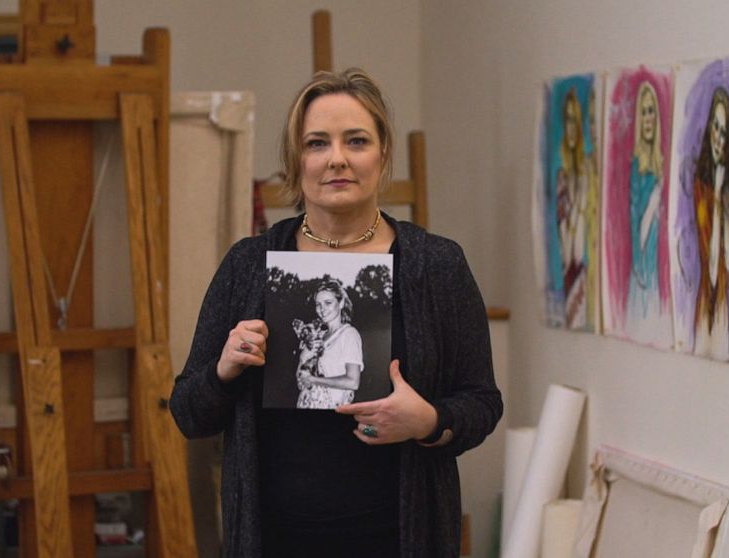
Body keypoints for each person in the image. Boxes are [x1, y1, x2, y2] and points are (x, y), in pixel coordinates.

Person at [169, 68, 502, 558]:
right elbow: (188, 414)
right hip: (274, 540)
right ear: (295, 160)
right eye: (317, 143)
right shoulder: (249, 264)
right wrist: (224, 369)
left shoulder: (436, 265)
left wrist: (428, 421)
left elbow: (482, 403)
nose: (337, 159)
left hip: (398, 539)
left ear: (383, 154)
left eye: (357, 141)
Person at [692, 87, 729, 355]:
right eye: (715, 128)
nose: (719, 138)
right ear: (709, 129)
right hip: (706, 303)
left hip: (722, 305)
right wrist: (717, 197)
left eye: (724, 131)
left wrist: (722, 201)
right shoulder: (701, 189)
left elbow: (728, 262)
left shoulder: (726, 191)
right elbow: (710, 269)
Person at [295, 278, 364, 409]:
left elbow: (353, 382)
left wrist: (314, 380)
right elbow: (301, 383)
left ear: (341, 303)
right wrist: (302, 358)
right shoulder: (317, 335)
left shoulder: (349, 334)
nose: (322, 309)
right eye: (318, 304)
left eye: (328, 303)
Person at [627, 80, 664, 319]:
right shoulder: (636, 170)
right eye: (644, 112)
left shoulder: (663, 167)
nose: (648, 118)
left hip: (657, 276)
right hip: (642, 279)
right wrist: (652, 204)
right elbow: (636, 228)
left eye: (651, 111)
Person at [556, 87, 589, 329]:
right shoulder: (561, 181)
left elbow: (580, 250)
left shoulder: (588, 174)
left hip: (583, 276)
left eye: (574, 121)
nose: (570, 128)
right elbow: (567, 248)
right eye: (566, 121)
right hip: (570, 275)